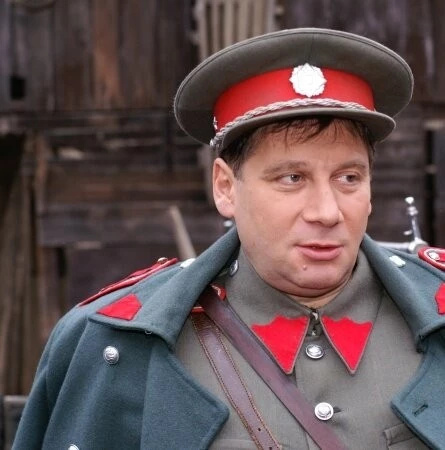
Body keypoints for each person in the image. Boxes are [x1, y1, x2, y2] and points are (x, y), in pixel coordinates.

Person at [13, 28, 445, 450]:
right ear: (225, 187)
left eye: (348, 177)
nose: (327, 212)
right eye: (292, 178)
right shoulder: (112, 344)